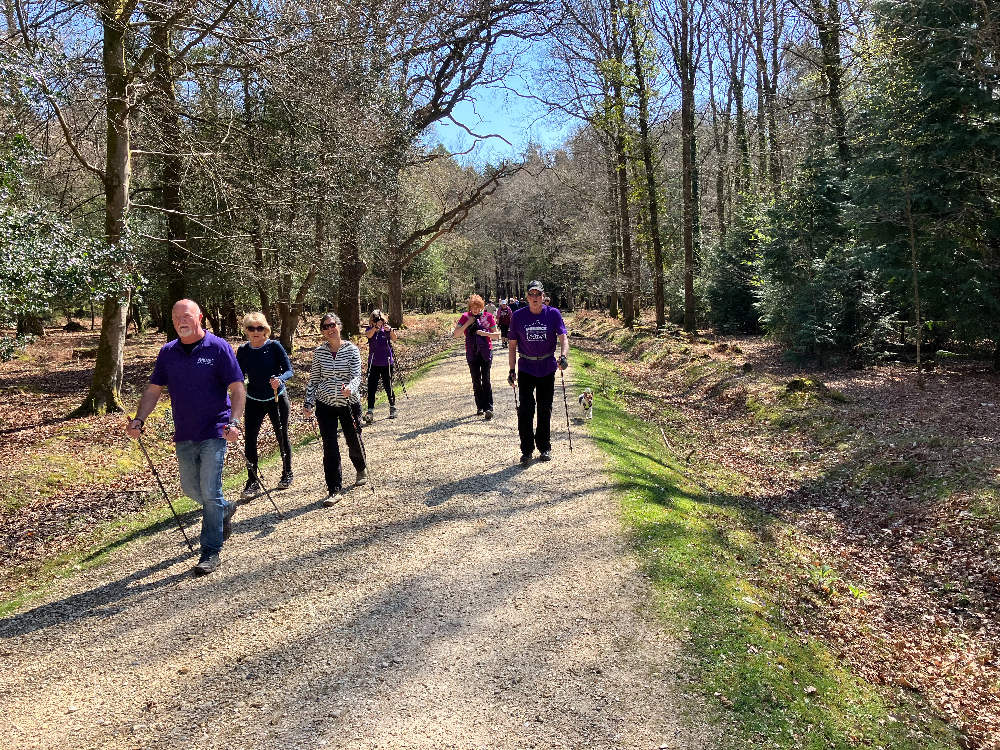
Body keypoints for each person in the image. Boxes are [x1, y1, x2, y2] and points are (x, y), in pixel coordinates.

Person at [126, 299, 245, 576]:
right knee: (192, 489)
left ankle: (210, 550)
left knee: (210, 490)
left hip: (216, 430)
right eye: (176, 316)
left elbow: (237, 387)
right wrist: (139, 419)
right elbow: (154, 389)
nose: (181, 320)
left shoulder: (218, 347)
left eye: (187, 315)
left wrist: (235, 422)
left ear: (199, 318)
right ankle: (225, 509)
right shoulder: (168, 352)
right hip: (184, 432)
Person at [303, 312, 367, 506]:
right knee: (330, 447)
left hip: (349, 403)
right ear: (322, 331)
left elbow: (356, 375)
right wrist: (308, 403)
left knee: (353, 439)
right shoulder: (320, 352)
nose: (329, 329)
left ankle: (360, 468)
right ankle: (334, 489)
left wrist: (351, 388)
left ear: (339, 326)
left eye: (332, 325)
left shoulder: (352, 350)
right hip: (325, 404)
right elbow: (314, 379)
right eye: (325, 327)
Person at [507, 280, 569, 465]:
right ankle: (526, 450)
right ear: (527, 297)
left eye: (538, 294)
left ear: (543, 296)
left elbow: (564, 339)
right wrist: (511, 370)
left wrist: (563, 356)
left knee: (545, 409)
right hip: (526, 367)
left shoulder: (553, 314)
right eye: (531, 294)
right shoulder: (518, 316)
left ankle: (544, 447)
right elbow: (512, 346)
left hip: (547, 367)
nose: (535, 297)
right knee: (525, 409)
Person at [236, 312, 294, 498]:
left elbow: (288, 371)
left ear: (265, 329)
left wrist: (280, 379)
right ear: (245, 330)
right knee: (250, 440)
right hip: (254, 400)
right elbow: (238, 375)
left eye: (259, 328)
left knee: (281, 435)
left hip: (276, 398)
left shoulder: (274, 346)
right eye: (251, 328)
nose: (255, 331)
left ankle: (287, 473)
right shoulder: (243, 351)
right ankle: (252, 481)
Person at [453, 294, 500, 420]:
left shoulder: (488, 317)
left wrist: (485, 333)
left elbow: (497, 335)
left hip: (486, 352)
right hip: (472, 353)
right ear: (470, 307)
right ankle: (479, 405)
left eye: (478, 307)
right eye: (473, 307)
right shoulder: (465, 317)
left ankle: (489, 408)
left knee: (486, 380)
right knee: (476, 381)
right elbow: (456, 334)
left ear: (482, 307)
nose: (475, 309)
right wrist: (467, 324)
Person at [363, 309, 398, 424]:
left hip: (387, 362)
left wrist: (391, 330)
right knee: (372, 387)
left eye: (380, 320)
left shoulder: (386, 330)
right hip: (373, 363)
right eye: (375, 320)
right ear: (371, 321)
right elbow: (368, 335)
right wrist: (375, 328)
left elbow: (394, 338)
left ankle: (392, 407)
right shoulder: (370, 329)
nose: (378, 322)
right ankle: (370, 411)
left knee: (388, 385)